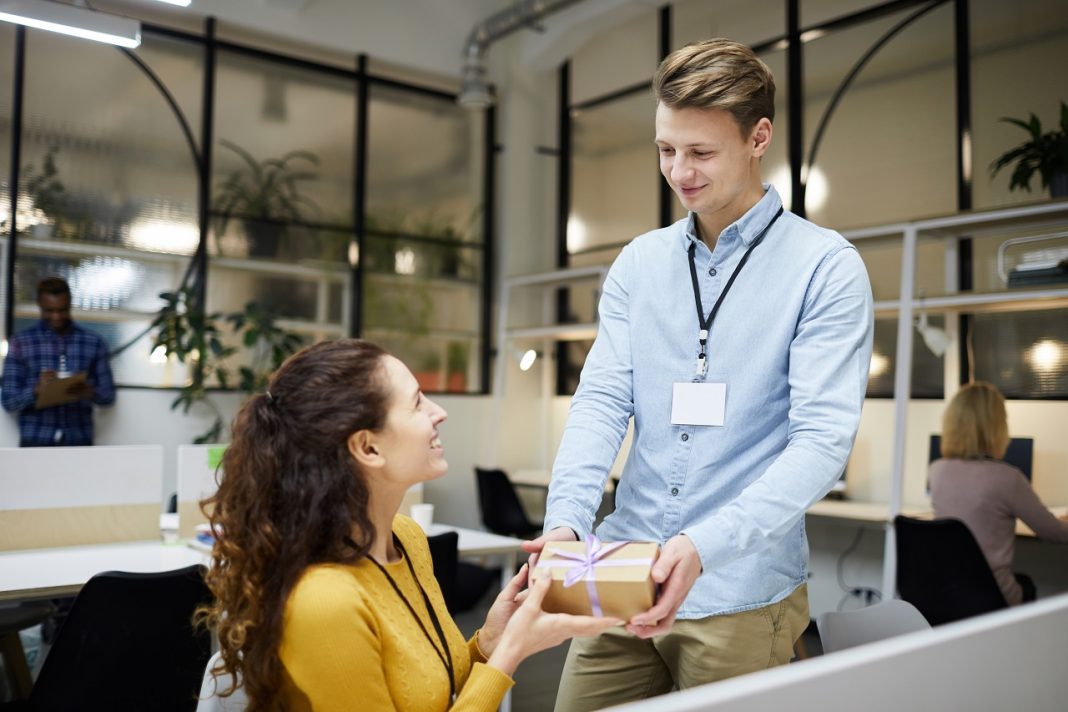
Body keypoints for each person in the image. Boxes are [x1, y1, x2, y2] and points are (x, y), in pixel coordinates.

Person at [524, 38, 874, 710]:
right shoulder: (640, 263)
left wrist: (703, 545)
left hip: (739, 591)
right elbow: (602, 400)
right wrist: (567, 522)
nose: (679, 171)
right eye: (665, 149)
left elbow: (823, 442)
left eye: (700, 152)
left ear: (758, 138)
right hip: (620, 577)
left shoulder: (824, 267)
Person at [196, 339, 619, 711]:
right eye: (417, 403)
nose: (440, 413)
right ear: (368, 447)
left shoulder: (408, 540)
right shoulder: (326, 602)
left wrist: (488, 644)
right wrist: (509, 655)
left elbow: (427, 694)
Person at [929, 381, 1068, 606]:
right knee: (1029, 584)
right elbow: (1055, 533)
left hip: (946, 591)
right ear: (996, 426)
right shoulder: (1007, 478)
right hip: (990, 594)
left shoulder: (936, 471)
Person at [1, 276, 115, 446]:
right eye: (49, 311)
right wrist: (36, 391)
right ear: (39, 305)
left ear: (70, 305)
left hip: (79, 440)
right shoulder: (21, 343)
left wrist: (89, 392)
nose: (56, 316)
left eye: (62, 310)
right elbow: (9, 402)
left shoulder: (94, 342)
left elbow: (108, 397)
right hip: (35, 440)